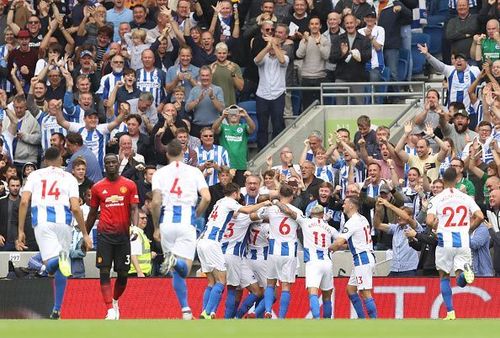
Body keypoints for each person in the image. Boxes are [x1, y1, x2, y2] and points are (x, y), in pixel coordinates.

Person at [16, 147, 92, 319]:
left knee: (50, 264)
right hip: (64, 223)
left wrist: (20, 230)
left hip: (43, 222)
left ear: (44, 160)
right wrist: (85, 233)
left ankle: (53, 263)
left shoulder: (35, 175)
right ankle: (57, 309)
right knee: (62, 266)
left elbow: (24, 202)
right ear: (60, 159)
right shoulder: (69, 177)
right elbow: (75, 208)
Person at [151, 139, 211, 320]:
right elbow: (206, 198)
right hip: (186, 221)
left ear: (167, 154)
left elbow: (155, 202)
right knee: (184, 267)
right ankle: (173, 261)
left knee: (175, 272)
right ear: (183, 153)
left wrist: (155, 227)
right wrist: (197, 214)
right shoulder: (194, 172)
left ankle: (185, 310)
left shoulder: (159, 173)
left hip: (167, 221)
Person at [198, 182, 270, 319]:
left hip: (208, 245)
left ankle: (208, 311)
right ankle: (219, 315)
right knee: (229, 287)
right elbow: (253, 213)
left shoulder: (219, 204)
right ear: (236, 194)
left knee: (212, 282)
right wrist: (265, 204)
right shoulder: (237, 209)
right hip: (230, 255)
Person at [85, 153, 140, 320]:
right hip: (105, 235)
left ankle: (115, 300)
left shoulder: (129, 185)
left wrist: (135, 228)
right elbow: (93, 213)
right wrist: (85, 235)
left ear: (118, 164)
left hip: (123, 235)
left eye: (113, 162)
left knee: (123, 274)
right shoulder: (97, 187)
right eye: (107, 163)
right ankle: (109, 308)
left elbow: (134, 209)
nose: (110, 165)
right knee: (104, 270)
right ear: (104, 165)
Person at [426, 167, 484, 320]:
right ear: (457, 179)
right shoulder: (465, 198)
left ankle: (450, 312)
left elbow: (429, 220)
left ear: (443, 180)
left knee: (444, 275)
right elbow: (480, 216)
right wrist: (468, 229)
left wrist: (436, 228)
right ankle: (465, 274)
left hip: (445, 241)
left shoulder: (437, 199)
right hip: (463, 240)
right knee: (460, 279)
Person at [257, 185, 303, 319]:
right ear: (292, 196)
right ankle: (282, 317)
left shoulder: (271, 209)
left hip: (273, 251)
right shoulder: (298, 211)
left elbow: (254, 216)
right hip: (289, 252)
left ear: (279, 194)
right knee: (286, 286)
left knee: (270, 283)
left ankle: (268, 310)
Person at [329, 196, 377, 319]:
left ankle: (375, 322)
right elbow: (354, 242)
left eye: (345, 203)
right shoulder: (363, 219)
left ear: (351, 206)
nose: (343, 206)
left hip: (362, 259)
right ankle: (361, 318)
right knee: (351, 289)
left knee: (365, 292)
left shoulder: (352, 222)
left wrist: (328, 248)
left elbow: (339, 241)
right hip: (364, 256)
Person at [374, 198, 422, 276]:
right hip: (395, 269)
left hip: (409, 269)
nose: (399, 217)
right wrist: (378, 211)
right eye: (397, 216)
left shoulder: (414, 226)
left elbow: (407, 218)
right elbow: (377, 225)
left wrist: (389, 205)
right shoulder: (395, 228)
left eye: (400, 215)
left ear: (411, 216)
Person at [129, 210, 152, 277]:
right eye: (142, 218)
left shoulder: (140, 233)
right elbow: (132, 253)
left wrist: (150, 255)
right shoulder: (134, 233)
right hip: (137, 273)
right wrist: (139, 272)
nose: (145, 220)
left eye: (146, 218)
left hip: (142, 272)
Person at [486, 189, 500, 276]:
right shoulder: (490, 211)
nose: (491, 198)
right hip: (497, 267)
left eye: (493, 196)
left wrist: (490, 229)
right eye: (490, 197)